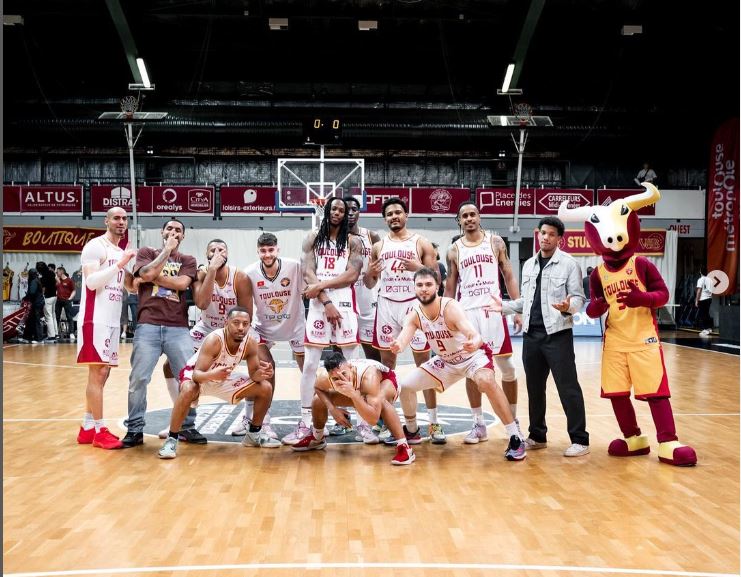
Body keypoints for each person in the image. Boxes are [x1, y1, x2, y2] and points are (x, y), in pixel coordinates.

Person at [390, 267, 526, 461]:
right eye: (419, 285)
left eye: (428, 284)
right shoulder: (415, 314)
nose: (424, 289)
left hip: (471, 357)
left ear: (437, 286)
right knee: (406, 386)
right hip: (446, 362)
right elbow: (404, 338)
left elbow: (474, 334)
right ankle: (412, 431)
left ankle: (515, 436)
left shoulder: (450, 307)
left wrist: (474, 341)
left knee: (486, 381)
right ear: (414, 288)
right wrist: (397, 344)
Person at [489, 216, 590, 457]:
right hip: (531, 335)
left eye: (551, 234)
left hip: (557, 335)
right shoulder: (529, 265)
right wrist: (504, 307)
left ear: (559, 239)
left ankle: (580, 440)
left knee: (568, 388)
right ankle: (537, 435)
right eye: (542, 233)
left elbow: (578, 298)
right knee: (534, 388)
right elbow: (527, 300)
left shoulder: (569, 264)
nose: (545, 237)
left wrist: (568, 306)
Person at [283, 197, 363, 445]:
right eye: (334, 208)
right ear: (327, 211)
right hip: (320, 303)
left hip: (345, 302)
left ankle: (363, 423)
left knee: (353, 363)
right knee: (309, 365)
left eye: (343, 209)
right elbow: (308, 271)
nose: (338, 212)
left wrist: (321, 286)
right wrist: (325, 300)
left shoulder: (354, 241)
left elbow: (352, 275)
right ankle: (305, 420)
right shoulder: (312, 239)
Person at [121, 219, 206, 448]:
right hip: (147, 324)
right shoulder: (147, 252)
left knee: (187, 378)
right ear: (162, 232)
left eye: (178, 230)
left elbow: (180, 283)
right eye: (169, 228)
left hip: (178, 327)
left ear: (183, 236)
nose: (173, 232)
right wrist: (166, 251)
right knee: (138, 379)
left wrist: (151, 277)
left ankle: (187, 427)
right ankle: (135, 429)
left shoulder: (188, 260)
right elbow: (145, 271)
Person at [366, 197, 444, 443]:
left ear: (406, 215)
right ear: (385, 218)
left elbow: (436, 280)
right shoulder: (378, 247)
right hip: (387, 305)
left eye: (398, 212)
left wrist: (417, 267)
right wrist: (371, 273)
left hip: (414, 306)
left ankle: (433, 423)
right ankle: (391, 424)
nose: (394, 217)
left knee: (426, 367)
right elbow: (369, 283)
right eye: (389, 214)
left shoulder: (420, 242)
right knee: (387, 370)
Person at [156, 238, 252, 439]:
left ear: (227, 254)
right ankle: (180, 419)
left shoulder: (239, 277)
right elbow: (201, 303)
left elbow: (247, 312)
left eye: (221, 249)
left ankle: (251, 420)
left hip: (232, 329)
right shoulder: (200, 275)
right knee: (169, 366)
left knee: (257, 368)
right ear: (207, 255)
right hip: (206, 327)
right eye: (212, 250)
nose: (217, 252)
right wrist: (210, 272)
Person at [444, 202, 522, 444]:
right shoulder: (454, 249)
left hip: (493, 310)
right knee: (472, 371)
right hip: (467, 313)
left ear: (479, 217)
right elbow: (450, 283)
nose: (469, 219)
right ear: (459, 221)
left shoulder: (496, 242)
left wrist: (518, 308)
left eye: (472, 214)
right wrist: (445, 315)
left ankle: (514, 419)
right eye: (464, 216)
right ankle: (478, 424)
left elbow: (508, 274)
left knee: (507, 367)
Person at [157, 307, 279, 459]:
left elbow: (254, 374)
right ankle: (172, 439)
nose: (241, 327)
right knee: (188, 389)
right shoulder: (214, 339)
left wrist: (261, 375)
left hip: (223, 377)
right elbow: (196, 374)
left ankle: (253, 434)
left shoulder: (250, 343)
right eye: (236, 323)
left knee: (265, 387)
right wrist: (212, 375)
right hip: (200, 377)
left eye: (245, 324)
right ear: (226, 323)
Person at [75, 207, 136, 449]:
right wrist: (120, 264)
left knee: (104, 373)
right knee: (97, 373)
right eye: (116, 218)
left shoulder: (119, 250)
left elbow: (129, 287)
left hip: (112, 321)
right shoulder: (95, 246)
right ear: (107, 221)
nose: (121, 222)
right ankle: (100, 431)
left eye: (124, 218)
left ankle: (87, 427)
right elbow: (91, 282)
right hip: (94, 318)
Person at [235, 232, 306, 437]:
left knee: (308, 372)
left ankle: (310, 420)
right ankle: (260, 420)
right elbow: (245, 305)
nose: (267, 254)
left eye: (271, 250)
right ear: (258, 251)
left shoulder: (294, 267)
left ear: (278, 249)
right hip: (263, 328)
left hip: (295, 326)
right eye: (263, 251)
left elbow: (309, 286)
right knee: (266, 369)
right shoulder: (249, 273)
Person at [291, 350, 415, 465]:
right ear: (329, 376)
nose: (342, 380)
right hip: (357, 389)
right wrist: (332, 409)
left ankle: (404, 447)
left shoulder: (369, 377)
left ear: (350, 367)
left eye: (344, 374)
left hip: (386, 381)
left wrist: (354, 395)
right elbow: (318, 388)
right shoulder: (325, 377)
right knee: (317, 400)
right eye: (335, 379)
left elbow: (373, 419)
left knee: (381, 401)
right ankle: (317, 438)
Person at [21, 268, 45, 343]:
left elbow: (32, 292)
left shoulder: (34, 281)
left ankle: (39, 338)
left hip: (36, 303)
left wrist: (25, 297)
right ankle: (27, 337)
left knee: (36, 320)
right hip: (38, 302)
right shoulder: (37, 280)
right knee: (30, 320)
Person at [36, 261, 58, 341]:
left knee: (48, 316)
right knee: (53, 315)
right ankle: (56, 333)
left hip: (48, 297)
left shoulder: (43, 277)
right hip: (54, 296)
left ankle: (51, 335)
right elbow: (57, 282)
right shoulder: (52, 273)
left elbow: (43, 289)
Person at [55, 266, 76, 341]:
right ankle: (56, 332)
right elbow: (57, 288)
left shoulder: (69, 280)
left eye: (58, 271)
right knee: (57, 316)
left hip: (66, 300)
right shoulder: (57, 280)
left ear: (62, 272)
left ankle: (71, 333)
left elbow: (73, 290)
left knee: (69, 317)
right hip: (58, 300)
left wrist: (70, 298)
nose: (56, 273)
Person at [695, 269, 714, 336]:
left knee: (702, 314)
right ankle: (709, 328)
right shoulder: (710, 280)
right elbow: (712, 290)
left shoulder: (700, 279)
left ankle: (705, 329)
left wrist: (696, 300)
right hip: (709, 298)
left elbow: (699, 290)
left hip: (703, 299)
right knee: (706, 313)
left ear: (700, 272)